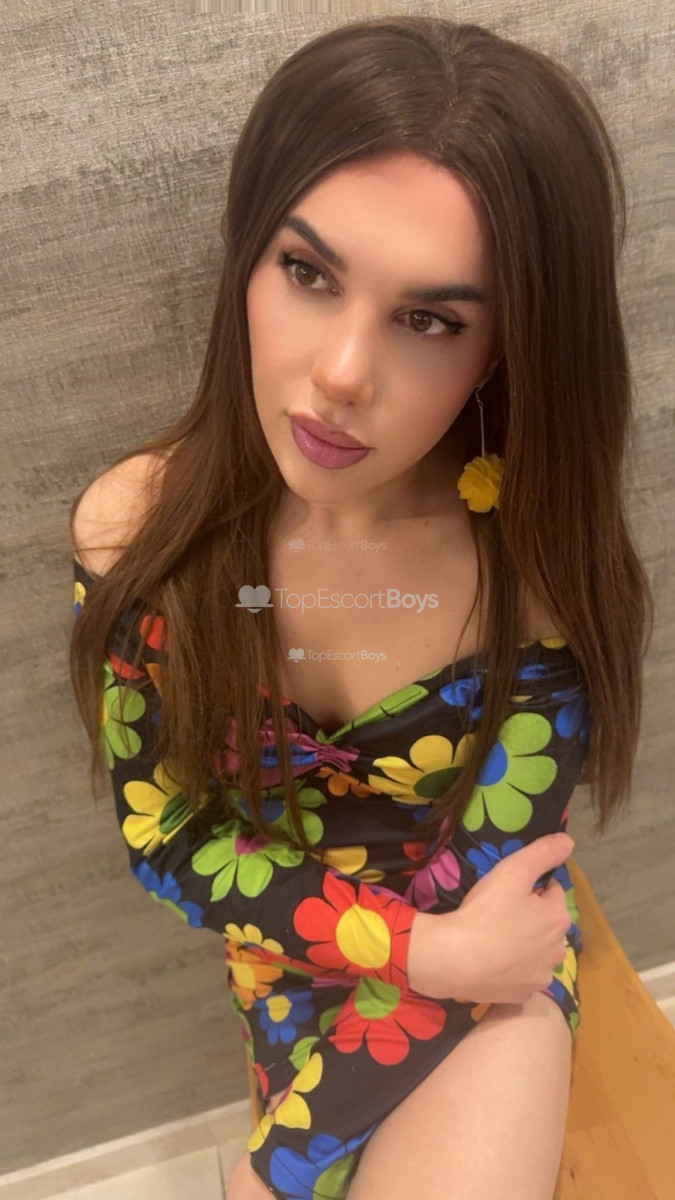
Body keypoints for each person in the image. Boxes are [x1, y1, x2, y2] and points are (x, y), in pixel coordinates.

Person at [69, 16, 652, 1200]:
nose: (340, 372)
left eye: (430, 320)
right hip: (292, 942)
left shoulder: (530, 564)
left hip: (487, 953)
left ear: (504, 348)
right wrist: (413, 952)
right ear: (247, 258)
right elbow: (168, 840)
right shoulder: (141, 534)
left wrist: (277, 1171)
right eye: (308, 273)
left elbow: (490, 885)